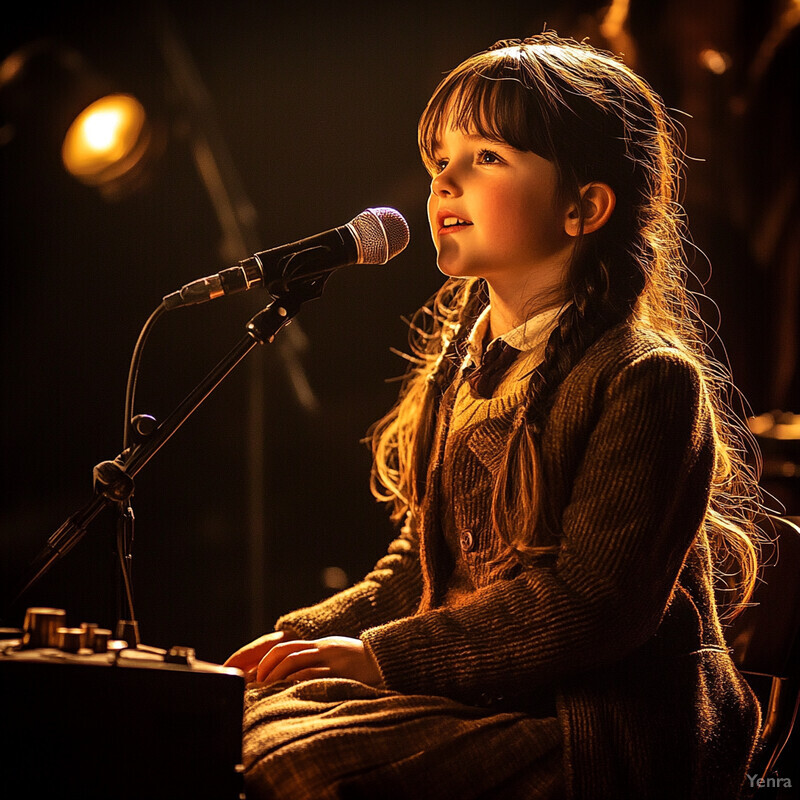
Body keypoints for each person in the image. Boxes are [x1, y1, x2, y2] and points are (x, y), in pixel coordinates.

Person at [224, 31, 765, 799]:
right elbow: (423, 566)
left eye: (485, 158)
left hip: (595, 730)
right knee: (236, 722)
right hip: (479, 696)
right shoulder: (462, 365)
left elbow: (590, 607)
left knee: (300, 765)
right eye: (439, 158)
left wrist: (378, 656)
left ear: (584, 207)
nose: (444, 180)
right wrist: (299, 638)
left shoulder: (645, 378)